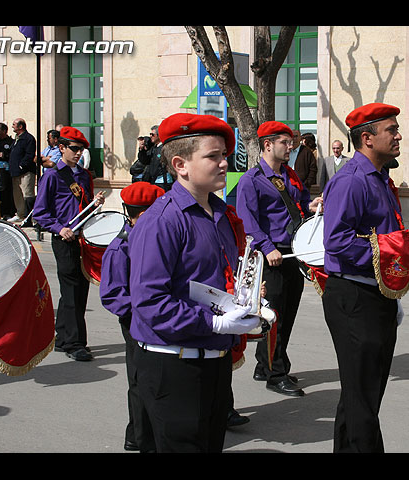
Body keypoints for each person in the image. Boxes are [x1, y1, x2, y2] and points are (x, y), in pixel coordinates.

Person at [128, 112, 260, 453]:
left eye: (224, 155)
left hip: (213, 360)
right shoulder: (160, 221)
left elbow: (222, 282)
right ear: (180, 164)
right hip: (173, 365)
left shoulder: (219, 215)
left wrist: (247, 307)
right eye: (212, 156)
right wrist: (216, 322)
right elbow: (149, 303)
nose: (223, 163)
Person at [321, 103, 404, 452]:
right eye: (391, 130)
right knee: (363, 401)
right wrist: (390, 250)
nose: (398, 135)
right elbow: (336, 242)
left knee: (361, 396)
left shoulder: (380, 178)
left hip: (376, 292)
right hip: (354, 296)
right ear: (367, 138)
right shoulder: (352, 180)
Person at [236, 121, 322, 397]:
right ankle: (276, 373)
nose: (290, 147)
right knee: (275, 317)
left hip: (292, 251)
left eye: (291, 141)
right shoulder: (251, 180)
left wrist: (311, 205)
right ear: (267, 145)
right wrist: (266, 246)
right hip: (270, 255)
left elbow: (300, 203)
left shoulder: (290, 175)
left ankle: (266, 365)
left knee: (287, 313)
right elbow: (247, 221)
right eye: (284, 142)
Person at [99, 181, 163, 453]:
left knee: (151, 379)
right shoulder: (120, 247)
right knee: (139, 381)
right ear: (137, 215)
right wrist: (139, 313)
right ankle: (139, 436)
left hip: (154, 318)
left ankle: (137, 433)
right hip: (136, 321)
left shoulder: (152, 237)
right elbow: (112, 294)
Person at [33, 126, 105, 361]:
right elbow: (40, 214)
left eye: (81, 149)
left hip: (82, 238)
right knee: (73, 288)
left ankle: (63, 338)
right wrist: (59, 228)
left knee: (76, 289)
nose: (78, 153)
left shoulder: (84, 175)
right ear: (61, 148)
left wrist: (95, 203)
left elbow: (85, 209)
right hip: (64, 239)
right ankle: (76, 343)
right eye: (74, 148)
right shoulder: (52, 176)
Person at [7, 118, 37, 223]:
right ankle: (20, 214)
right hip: (15, 172)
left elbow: (30, 154)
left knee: (27, 194)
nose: (12, 126)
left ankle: (30, 218)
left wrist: (22, 165)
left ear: (20, 126)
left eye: (14, 124)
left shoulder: (28, 138)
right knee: (18, 195)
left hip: (26, 172)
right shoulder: (16, 139)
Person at [139, 125, 172, 191]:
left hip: (163, 182)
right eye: (150, 134)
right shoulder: (153, 148)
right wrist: (142, 150)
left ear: (159, 136)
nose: (150, 136)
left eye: (153, 134)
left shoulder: (164, 148)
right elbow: (145, 161)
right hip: (154, 181)